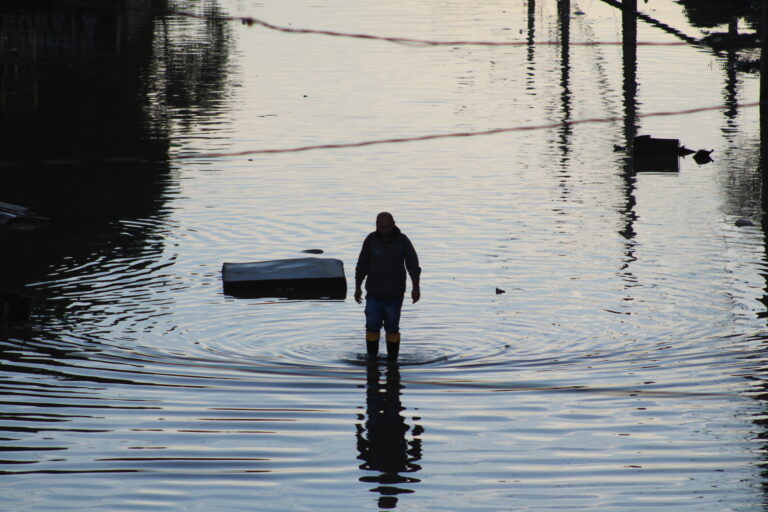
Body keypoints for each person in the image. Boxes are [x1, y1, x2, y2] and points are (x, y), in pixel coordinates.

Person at [355, 212, 421, 361]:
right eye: (381, 227)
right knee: (371, 326)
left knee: (392, 329)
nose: (384, 230)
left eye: (387, 227)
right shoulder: (370, 240)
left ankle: (393, 362)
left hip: (394, 296)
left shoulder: (403, 241)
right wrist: (357, 287)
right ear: (376, 226)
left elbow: (413, 266)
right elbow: (362, 265)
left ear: (393, 225)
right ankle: (372, 360)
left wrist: (416, 288)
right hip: (373, 294)